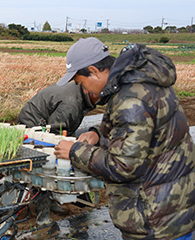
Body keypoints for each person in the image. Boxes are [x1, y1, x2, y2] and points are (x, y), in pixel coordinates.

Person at [54, 37, 195, 240]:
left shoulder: (130, 99)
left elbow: (124, 166)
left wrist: (75, 151)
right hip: (174, 204)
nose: (84, 90)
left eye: (80, 83)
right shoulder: (143, 82)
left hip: (155, 220)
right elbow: (142, 136)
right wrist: (97, 133)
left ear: (93, 71)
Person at [17, 82, 97, 137]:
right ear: (93, 94)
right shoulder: (71, 104)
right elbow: (57, 131)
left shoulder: (80, 90)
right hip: (32, 124)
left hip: (38, 118)